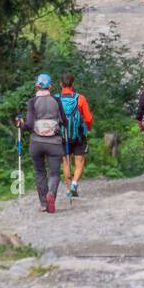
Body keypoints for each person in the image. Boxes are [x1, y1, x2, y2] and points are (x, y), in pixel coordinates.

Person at [18, 72, 67, 213]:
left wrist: (20, 124)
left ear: (37, 85)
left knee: (40, 172)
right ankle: (51, 193)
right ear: (50, 86)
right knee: (54, 173)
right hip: (54, 143)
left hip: (37, 143)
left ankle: (44, 204)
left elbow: (29, 125)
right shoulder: (56, 101)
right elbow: (64, 121)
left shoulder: (33, 102)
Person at [58, 70, 93, 199]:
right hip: (78, 135)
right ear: (72, 84)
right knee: (80, 161)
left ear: (61, 84)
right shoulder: (80, 98)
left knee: (66, 162)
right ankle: (74, 184)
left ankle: (68, 191)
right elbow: (88, 119)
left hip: (62, 136)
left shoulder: (56, 98)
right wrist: (88, 128)